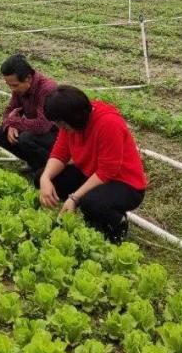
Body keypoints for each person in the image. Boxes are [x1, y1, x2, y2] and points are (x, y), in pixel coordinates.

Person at [35, 85, 147, 244]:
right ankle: (90, 210)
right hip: (91, 174)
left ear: (74, 117)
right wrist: (45, 178)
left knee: (90, 203)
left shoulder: (109, 123)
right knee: (42, 176)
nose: (60, 129)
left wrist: (74, 198)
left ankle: (117, 222)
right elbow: (60, 153)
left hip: (125, 183)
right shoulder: (71, 123)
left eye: (62, 124)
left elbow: (107, 171)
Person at [0, 54, 58, 172]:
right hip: (35, 130)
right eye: (9, 85)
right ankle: (34, 163)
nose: (12, 89)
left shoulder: (46, 89)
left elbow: (42, 126)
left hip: (55, 134)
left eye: (15, 85)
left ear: (28, 78)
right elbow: (9, 110)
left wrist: (13, 121)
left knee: (25, 138)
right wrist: (9, 125)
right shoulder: (19, 88)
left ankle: (49, 168)